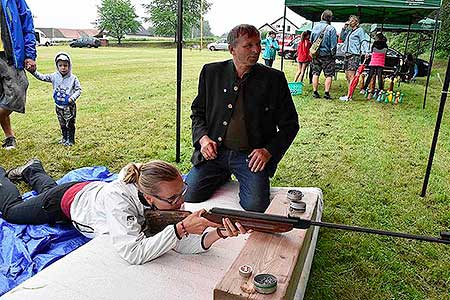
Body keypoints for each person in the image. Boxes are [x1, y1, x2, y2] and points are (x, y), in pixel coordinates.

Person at [0, 159, 248, 265]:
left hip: (86, 192)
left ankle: (33, 169)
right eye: (173, 198)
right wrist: (182, 228)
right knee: (13, 211)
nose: (180, 202)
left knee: (48, 189)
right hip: (65, 202)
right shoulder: (119, 203)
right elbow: (133, 252)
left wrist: (218, 233)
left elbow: (179, 243)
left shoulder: (160, 198)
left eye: (182, 191)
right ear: (149, 197)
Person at [185, 24, 299, 213]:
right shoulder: (211, 72)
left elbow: (290, 125)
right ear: (232, 49)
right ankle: (221, 174)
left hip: (250, 157)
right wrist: (203, 139)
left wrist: (268, 151)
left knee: (255, 206)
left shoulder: (274, 79)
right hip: (215, 153)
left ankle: (229, 174)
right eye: (248, 46)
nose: (256, 50)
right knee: (190, 194)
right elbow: (197, 112)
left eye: (258, 44)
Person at [0, 0, 37, 150]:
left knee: (18, 90)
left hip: (10, 53)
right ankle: (9, 137)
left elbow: (27, 25)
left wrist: (30, 54)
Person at [31, 52, 82, 146]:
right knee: (62, 123)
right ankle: (64, 138)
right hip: (58, 106)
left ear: (69, 66)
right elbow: (42, 77)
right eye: (60, 65)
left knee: (69, 123)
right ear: (57, 66)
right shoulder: (54, 76)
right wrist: (33, 72)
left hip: (69, 106)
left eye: (65, 65)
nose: (63, 68)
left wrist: (72, 98)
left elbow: (78, 90)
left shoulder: (73, 78)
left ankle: (71, 140)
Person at [339, 15, 369, 101]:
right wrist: (344, 28)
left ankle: (349, 96)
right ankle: (349, 93)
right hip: (347, 55)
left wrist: (366, 51)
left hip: (354, 55)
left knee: (351, 75)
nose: (350, 22)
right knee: (347, 75)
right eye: (349, 20)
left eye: (352, 20)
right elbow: (341, 38)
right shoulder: (349, 31)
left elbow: (363, 41)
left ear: (356, 22)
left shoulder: (360, 31)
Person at [310, 10, 337, 100]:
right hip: (327, 55)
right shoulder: (331, 29)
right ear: (330, 18)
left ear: (322, 17)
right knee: (328, 75)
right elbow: (333, 45)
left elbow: (311, 40)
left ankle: (315, 92)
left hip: (316, 54)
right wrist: (333, 55)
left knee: (315, 73)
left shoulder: (315, 27)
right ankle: (326, 93)